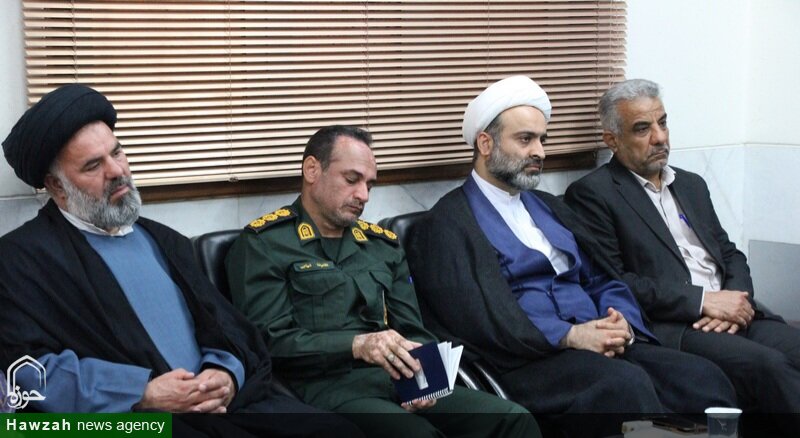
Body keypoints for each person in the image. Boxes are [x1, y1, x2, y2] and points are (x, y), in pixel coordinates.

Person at [0, 84, 361, 438]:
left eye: (117, 152)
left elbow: (224, 326)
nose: (116, 170)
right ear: (57, 185)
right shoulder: (20, 261)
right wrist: (141, 393)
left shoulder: (164, 240)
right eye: (94, 165)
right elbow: (25, 370)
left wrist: (226, 373)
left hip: (223, 407)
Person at [406, 76, 737, 437]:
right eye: (525, 139)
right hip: (527, 362)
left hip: (598, 344)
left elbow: (601, 277)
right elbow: (479, 320)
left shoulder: (550, 207)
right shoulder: (447, 225)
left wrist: (621, 322)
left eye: (542, 140)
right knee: (624, 388)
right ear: (486, 144)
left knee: (702, 378)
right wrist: (570, 336)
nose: (540, 152)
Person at [225, 125, 541, 438]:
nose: (363, 195)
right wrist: (356, 345)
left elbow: (413, 328)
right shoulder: (265, 244)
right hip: (327, 390)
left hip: (400, 379)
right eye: (351, 180)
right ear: (312, 170)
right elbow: (270, 342)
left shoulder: (381, 245)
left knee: (513, 419)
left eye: (369, 184)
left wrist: (427, 381)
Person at [564, 79, 800, 419]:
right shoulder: (594, 194)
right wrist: (703, 302)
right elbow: (617, 282)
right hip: (679, 324)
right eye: (642, 129)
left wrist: (736, 299)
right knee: (770, 365)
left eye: (663, 123)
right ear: (612, 140)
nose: (660, 137)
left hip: (733, 311)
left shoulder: (691, 184)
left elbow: (728, 252)